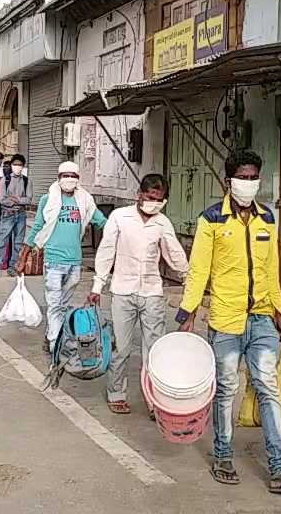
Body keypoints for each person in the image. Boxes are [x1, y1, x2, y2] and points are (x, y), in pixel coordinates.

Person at [176, 149, 281, 495]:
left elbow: (271, 271)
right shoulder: (211, 220)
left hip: (263, 319)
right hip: (225, 320)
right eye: (243, 178)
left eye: (254, 178)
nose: (249, 184)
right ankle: (223, 456)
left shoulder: (267, 219)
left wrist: (280, 313)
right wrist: (186, 313)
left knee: (268, 388)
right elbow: (199, 272)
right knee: (226, 390)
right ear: (229, 182)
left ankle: (280, 468)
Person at [89, 173, 189, 416]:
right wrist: (97, 286)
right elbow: (106, 251)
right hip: (122, 291)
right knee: (120, 348)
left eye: (159, 199)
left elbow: (173, 253)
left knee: (154, 350)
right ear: (139, 195)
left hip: (152, 293)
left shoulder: (162, 223)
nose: (153, 202)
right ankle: (116, 393)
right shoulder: (119, 217)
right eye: (149, 197)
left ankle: (155, 400)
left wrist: (189, 279)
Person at [25, 161, 107, 354]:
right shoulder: (48, 199)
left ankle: (51, 335)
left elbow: (101, 221)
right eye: (65, 176)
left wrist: (120, 231)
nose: (69, 179)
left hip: (74, 262)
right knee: (54, 304)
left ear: (78, 179)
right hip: (53, 261)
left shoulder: (85, 200)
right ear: (59, 177)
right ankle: (55, 347)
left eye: (73, 176)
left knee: (61, 305)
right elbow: (37, 225)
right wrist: (25, 251)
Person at [0, 155, 30, 278]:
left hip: (21, 215)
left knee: (18, 243)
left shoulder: (27, 181)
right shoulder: (5, 180)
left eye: (19, 164)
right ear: (12, 166)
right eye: (15, 164)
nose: (17, 167)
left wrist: (15, 199)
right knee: (1, 242)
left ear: (23, 166)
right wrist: (18, 200)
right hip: (7, 214)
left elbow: (28, 199)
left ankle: (12, 267)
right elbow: (2, 199)